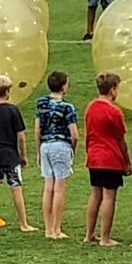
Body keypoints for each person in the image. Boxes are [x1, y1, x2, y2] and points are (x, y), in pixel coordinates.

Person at [0, 75, 36, 234]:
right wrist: (23, 155)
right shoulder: (13, 110)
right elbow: (20, 135)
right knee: (16, 189)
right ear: (7, 92)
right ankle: (24, 224)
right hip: (11, 156)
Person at [84, 72, 132, 246]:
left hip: (94, 156)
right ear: (113, 90)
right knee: (109, 197)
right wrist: (127, 161)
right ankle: (105, 237)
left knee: (95, 193)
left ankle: (89, 234)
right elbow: (120, 139)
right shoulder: (114, 111)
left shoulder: (90, 107)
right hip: (110, 158)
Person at [34, 71, 79, 240]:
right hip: (61, 145)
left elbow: (37, 129)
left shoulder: (41, 103)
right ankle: (56, 228)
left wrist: (39, 150)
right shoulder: (67, 107)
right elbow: (74, 134)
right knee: (60, 188)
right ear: (63, 86)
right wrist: (72, 149)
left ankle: (47, 228)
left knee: (48, 186)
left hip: (45, 145)